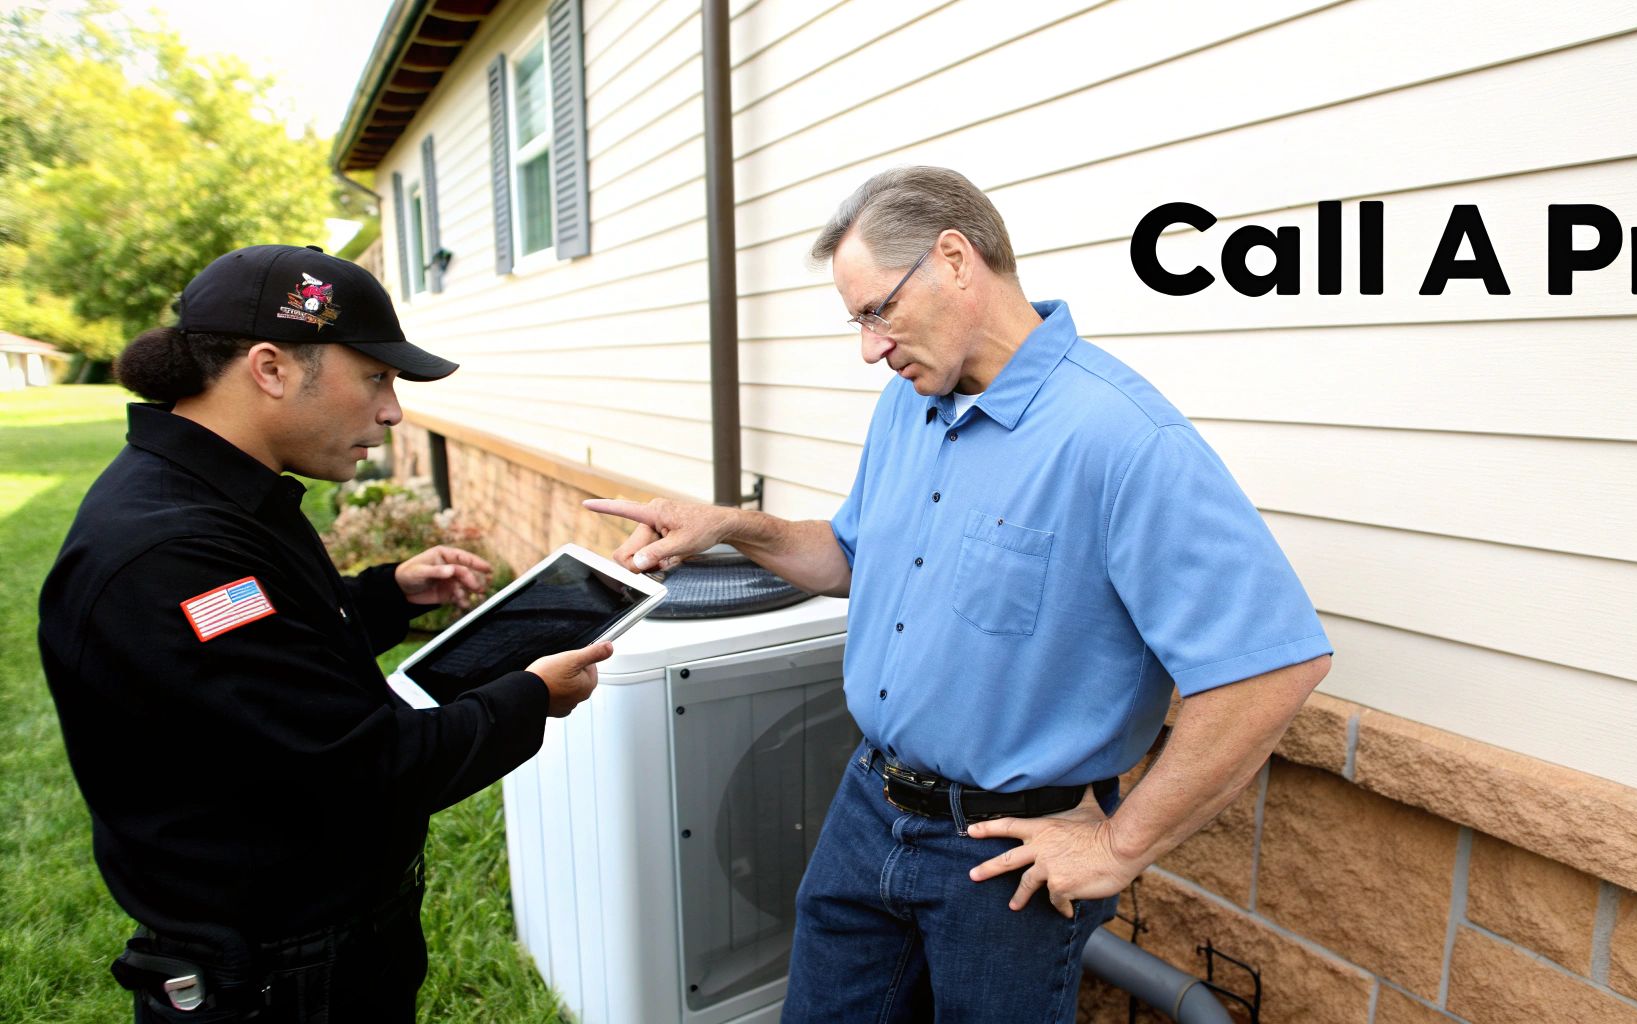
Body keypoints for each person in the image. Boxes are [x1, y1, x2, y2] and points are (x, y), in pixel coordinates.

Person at [584, 167, 1334, 1022]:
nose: (871, 347)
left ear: (954, 260)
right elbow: (847, 555)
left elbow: (1270, 668)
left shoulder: (1122, 439)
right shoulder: (910, 404)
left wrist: (1120, 846)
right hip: (867, 805)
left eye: (877, 312)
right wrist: (728, 526)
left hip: (1003, 855)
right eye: (858, 322)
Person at [37, 244, 614, 1022]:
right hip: (275, 979)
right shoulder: (172, 553)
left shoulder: (213, 499)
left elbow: (260, 642)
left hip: (308, 950)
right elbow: (366, 770)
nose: (393, 409)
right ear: (271, 368)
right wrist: (529, 696)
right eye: (375, 377)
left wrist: (386, 595)